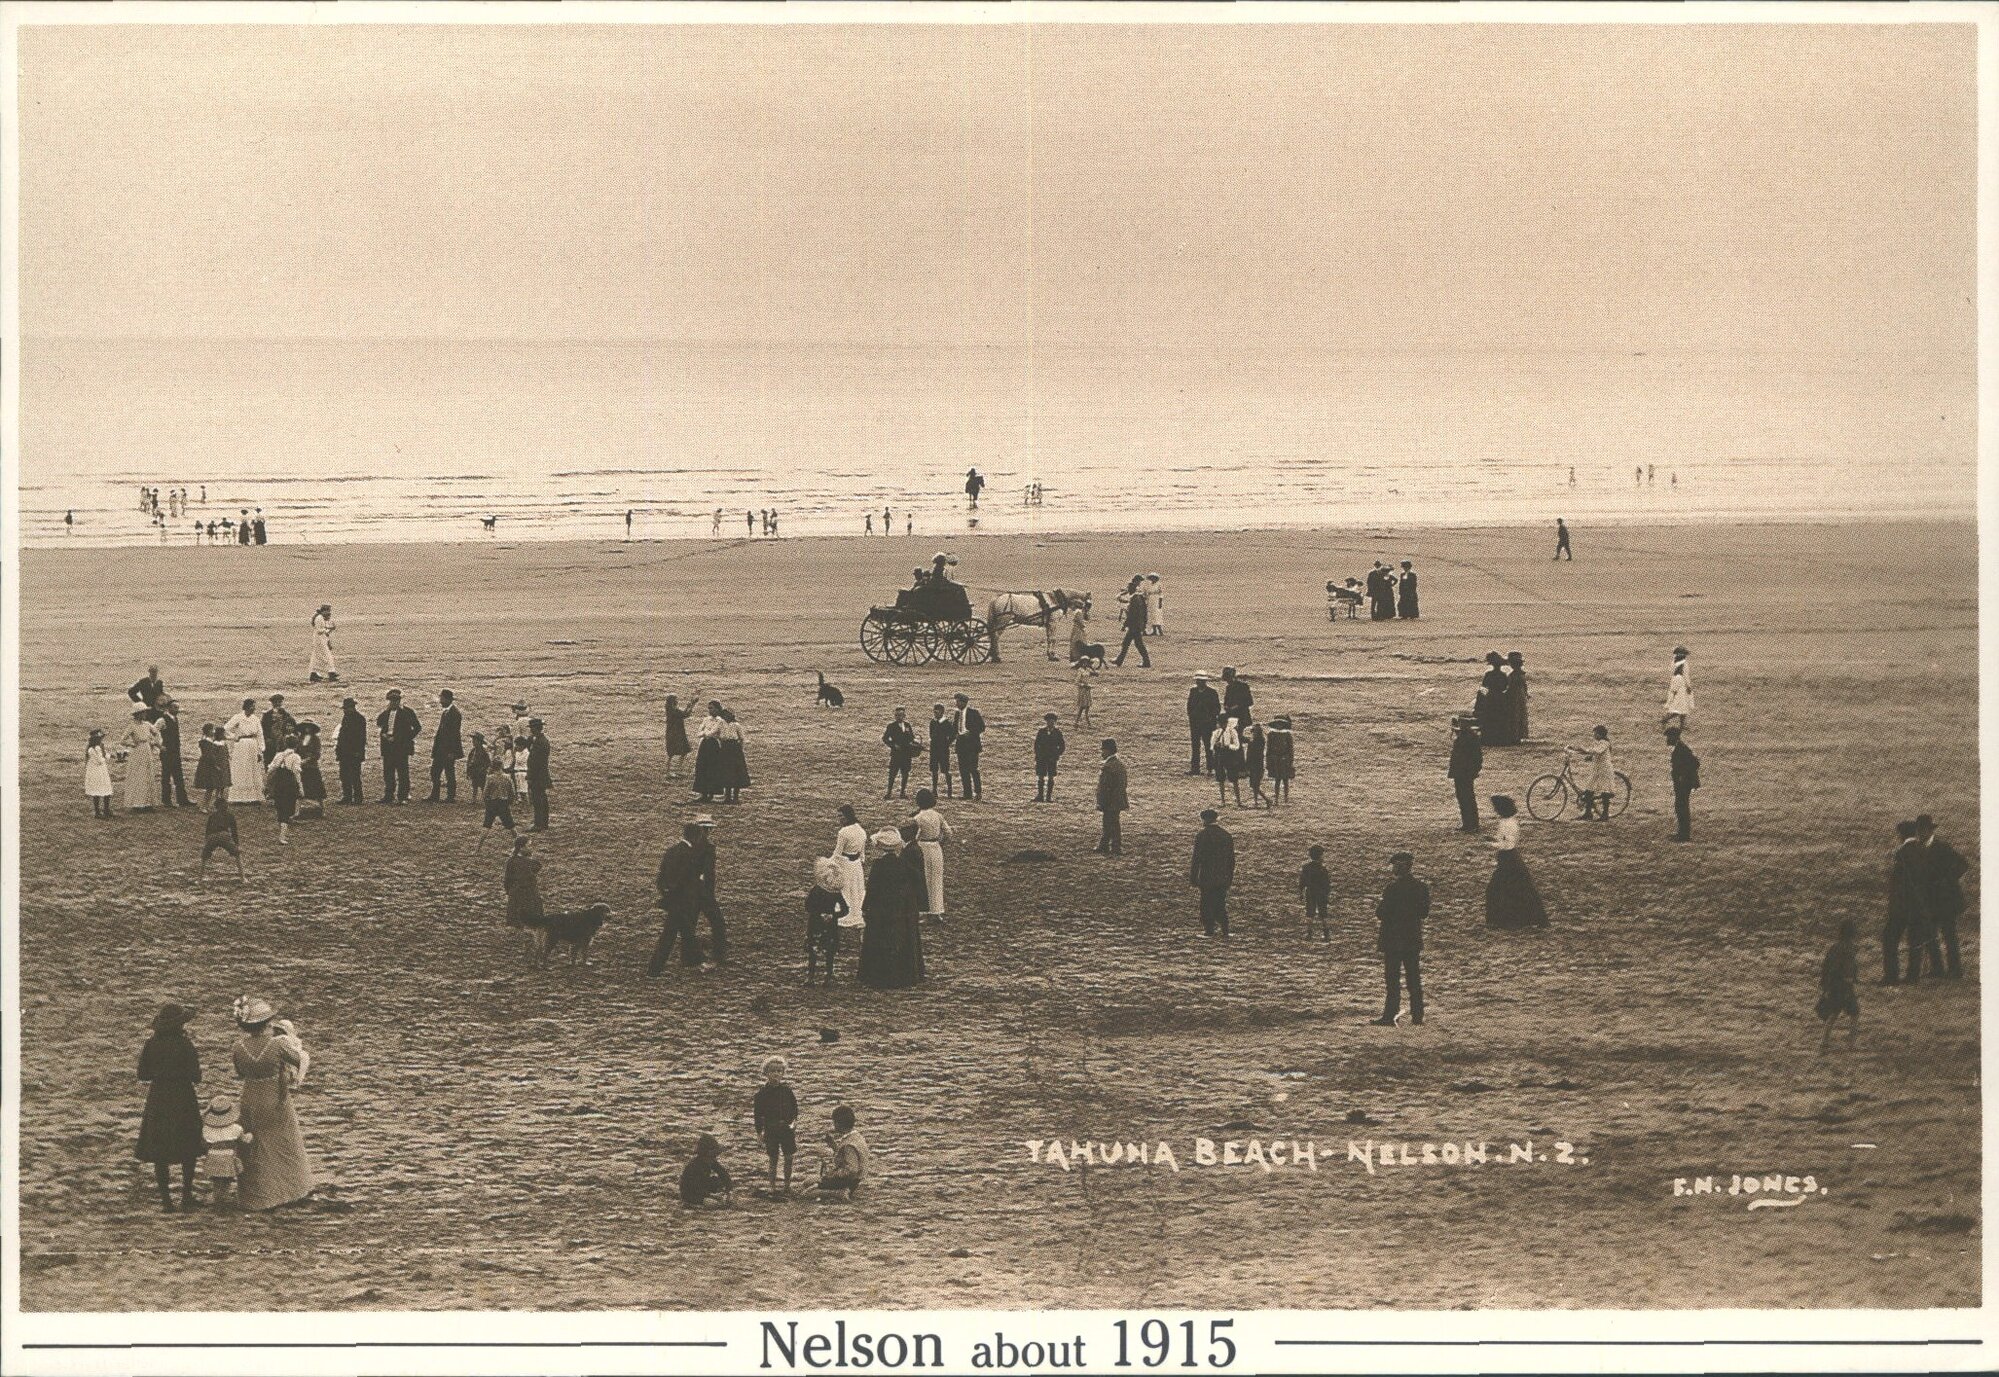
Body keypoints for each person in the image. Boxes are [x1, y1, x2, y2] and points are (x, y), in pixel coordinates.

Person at [230, 996, 312, 1210]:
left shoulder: (238, 1047)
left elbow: (240, 1073)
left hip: (249, 1096)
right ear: (266, 1024)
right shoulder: (278, 1045)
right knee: (283, 1142)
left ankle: (255, 1196)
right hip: (275, 1096)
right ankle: (289, 1190)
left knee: (254, 1145)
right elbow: (300, 1059)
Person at [137, 1004, 204, 1212]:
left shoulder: (151, 1044)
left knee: (160, 1151)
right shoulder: (185, 1045)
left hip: (158, 1098)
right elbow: (196, 1076)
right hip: (183, 1097)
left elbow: (143, 1075)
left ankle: (166, 1201)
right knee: (188, 1148)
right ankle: (186, 1195)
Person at [859, 826, 924, 988]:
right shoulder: (904, 864)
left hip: (880, 910)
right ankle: (902, 975)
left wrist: (865, 907)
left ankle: (879, 976)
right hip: (900, 909)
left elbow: (872, 889)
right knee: (899, 941)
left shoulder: (879, 865)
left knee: (880, 940)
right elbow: (917, 881)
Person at [1371, 852, 1429, 1026]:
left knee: (1392, 980)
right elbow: (1424, 913)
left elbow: (1381, 913)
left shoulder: (1392, 889)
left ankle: (1390, 1015)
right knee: (1414, 978)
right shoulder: (1421, 887)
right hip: (1412, 938)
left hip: (1393, 940)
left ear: (1399, 868)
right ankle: (1417, 1016)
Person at [649, 823, 709, 974]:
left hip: (673, 900)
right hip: (682, 901)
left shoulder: (671, 851)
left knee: (686, 932)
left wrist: (666, 893)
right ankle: (654, 970)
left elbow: (661, 876)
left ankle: (696, 961)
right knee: (672, 935)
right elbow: (687, 879)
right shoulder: (690, 855)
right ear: (695, 837)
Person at [1884, 820, 1938, 984]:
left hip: (1902, 906)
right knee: (1915, 941)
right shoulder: (1924, 850)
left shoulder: (1901, 852)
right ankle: (1912, 975)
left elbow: (1898, 882)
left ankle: (1891, 976)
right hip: (1920, 905)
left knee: (1889, 938)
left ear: (1901, 835)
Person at [1484, 796, 1547, 929]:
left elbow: (1507, 845)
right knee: (1520, 890)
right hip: (1512, 858)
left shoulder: (1506, 823)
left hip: (1508, 859)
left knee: (1497, 889)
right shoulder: (1511, 821)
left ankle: (1505, 920)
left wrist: (1492, 844)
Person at [1917, 815, 1968, 979]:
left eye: (1923, 829)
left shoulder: (1942, 847)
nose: (1921, 833)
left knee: (1949, 935)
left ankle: (1955, 970)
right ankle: (1937, 969)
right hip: (1931, 901)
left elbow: (1963, 864)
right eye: (1919, 830)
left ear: (1930, 830)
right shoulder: (1918, 849)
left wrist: (1948, 880)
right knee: (1930, 935)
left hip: (1946, 900)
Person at [753, 1058, 800, 1192]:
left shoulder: (787, 1091)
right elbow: (757, 1115)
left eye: (779, 1071)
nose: (776, 1074)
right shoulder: (761, 1094)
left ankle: (787, 1185)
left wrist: (794, 1122)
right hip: (771, 1130)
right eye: (772, 1071)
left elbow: (795, 1109)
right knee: (773, 1158)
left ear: (783, 1073)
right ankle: (772, 1186)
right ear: (766, 1073)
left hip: (786, 1129)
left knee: (789, 1157)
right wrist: (759, 1133)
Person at [1190, 808, 1236, 938]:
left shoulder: (1202, 836)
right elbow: (1231, 860)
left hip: (1207, 875)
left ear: (1205, 820)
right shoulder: (1226, 835)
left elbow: (1197, 858)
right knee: (1220, 902)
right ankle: (1225, 928)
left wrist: (1193, 877)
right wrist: (1229, 876)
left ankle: (1209, 929)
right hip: (1222, 876)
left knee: (1206, 903)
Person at [199, 1097, 252, 1209]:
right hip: (228, 1158)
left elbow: (204, 1144)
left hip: (213, 1157)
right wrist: (251, 1135)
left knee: (216, 1180)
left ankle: (217, 1197)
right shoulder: (236, 1128)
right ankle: (224, 1197)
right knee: (227, 1180)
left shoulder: (206, 1129)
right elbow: (245, 1140)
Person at [1817, 920, 1861, 1053]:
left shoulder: (1835, 948)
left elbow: (1827, 968)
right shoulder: (1849, 949)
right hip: (1844, 986)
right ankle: (1851, 1044)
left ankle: (1824, 1042)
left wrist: (1826, 987)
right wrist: (1852, 978)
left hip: (1836, 986)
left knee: (1833, 1014)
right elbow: (1849, 968)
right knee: (1854, 1013)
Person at [690, 815, 728, 963]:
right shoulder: (707, 848)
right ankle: (718, 952)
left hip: (692, 890)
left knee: (691, 922)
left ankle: (692, 953)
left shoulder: (689, 846)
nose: (706, 832)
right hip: (700, 890)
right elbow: (709, 873)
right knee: (717, 922)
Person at [911, 789, 954, 919]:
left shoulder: (918, 818)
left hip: (922, 848)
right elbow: (949, 833)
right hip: (936, 848)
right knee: (936, 879)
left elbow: (915, 836)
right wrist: (940, 843)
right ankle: (937, 911)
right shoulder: (938, 815)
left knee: (923, 879)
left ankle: (924, 910)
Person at [807, 858, 849, 985]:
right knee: (829, 952)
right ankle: (828, 976)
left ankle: (811, 977)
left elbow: (808, 906)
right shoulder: (836, 893)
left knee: (813, 951)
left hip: (815, 923)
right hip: (831, 925)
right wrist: (833, 916)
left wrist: (819, 914)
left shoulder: (816, 890)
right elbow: (845, 910)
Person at [376, 689, 422, 804]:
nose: (393, 702)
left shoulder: (407, 712)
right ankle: (389, 795)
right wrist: (386, 736)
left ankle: (403, 796)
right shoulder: (386, 712)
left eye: (395, 700)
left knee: (402, 772)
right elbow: (379, 722)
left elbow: (417, 727)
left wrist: (405, 739)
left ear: (399, 700)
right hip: (388, 746)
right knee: (388, 772)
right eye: (391, 700)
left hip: (401, 747)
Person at [816, 1105, 870, 1201]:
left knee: (807, 1192)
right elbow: (846, 1157)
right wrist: (833, 1146)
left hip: (848, 1182)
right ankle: (838, 1192)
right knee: (810, 1181)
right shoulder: (857, 1137)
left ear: (838, 1124)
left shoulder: (848, 1145)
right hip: (856, 1180)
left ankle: (839, 1193)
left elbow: (852, 1170)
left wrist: (831, 1175)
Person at [503, 835, 543, 951]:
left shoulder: (511, 861)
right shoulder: (532, 863)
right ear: (521, 848)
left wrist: (508, 892)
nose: (531, 848)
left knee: (517, 919)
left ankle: (520, 942)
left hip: (516, 893)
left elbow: (507, 880)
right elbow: (537, 867)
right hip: (529, 893)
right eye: (529, 845)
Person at [476, 748, 518, 850]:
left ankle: (477, 848)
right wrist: (510, 802)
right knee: (512, 827)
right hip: (503, 803)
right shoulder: (507, 777)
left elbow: (485, 793)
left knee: (486, 826)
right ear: (502, 766)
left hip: (492, 803)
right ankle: (520, 847)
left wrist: (487, 802)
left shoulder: (490, 778)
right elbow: (512, 792)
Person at [832, 804, 869, 920]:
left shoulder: (843, 832)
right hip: (857, 865)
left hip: (846, 864)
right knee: (856, 888)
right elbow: (862, 853)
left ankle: (845, 910)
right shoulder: (861, 830)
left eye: (841, 816)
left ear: (847, 816)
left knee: (845, 889)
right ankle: (855, 910)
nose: (840, 819)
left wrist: (828, 863)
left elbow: (837, 853)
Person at [1570, 725, 1615, 821]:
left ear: (1600, 734)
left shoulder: (1605, 743)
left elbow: (1597, 751)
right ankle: (1588, 813)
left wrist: (1585, 750)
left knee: (1605, 792)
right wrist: (1579, 751)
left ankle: (1605, 814)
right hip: (1597, 770)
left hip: (1604, 770)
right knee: (1589, 790)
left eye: (1595, 733)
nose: (1594, 735)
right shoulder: (1599, 742)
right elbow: (1596, 753)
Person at [121, 708, 161, 813]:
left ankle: (148, 803)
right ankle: (137, 803)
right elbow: (123, 740)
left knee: (148, 774)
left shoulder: (147, 725)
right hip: (137, 752)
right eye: (143, 712)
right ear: (138, 714)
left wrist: (154, 742)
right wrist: (132, 744)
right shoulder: (132, 726)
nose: (145, 714)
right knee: (138, 776)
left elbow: (156, 732)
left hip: (147, 750)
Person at [678, 1134, 733, 1208]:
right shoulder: (693, 1167)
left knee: (717, 1182)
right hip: (691, 1194)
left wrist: (728, 1191)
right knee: (713, 1204)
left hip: (704, 1188)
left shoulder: (711, 1161)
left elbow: (724, 1174)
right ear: (704, 1155)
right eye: (713, 1155)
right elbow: (695, 1188)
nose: (714, 1158)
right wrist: (711, 1196)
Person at [265, 736, 302, 845]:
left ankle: (282, 830)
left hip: (278, 784)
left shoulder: (279, 755)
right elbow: (296, 773)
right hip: (289, 784)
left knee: (280, 807)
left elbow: (270, 769)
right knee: (288, 809)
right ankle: (282, 835)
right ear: (296, 745)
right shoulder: (296, 757)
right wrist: (300, 787)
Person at [428, 689, 464, 802]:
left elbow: (454, 735)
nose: (440, 701)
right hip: (441, 749)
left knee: (449, 772)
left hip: (448, 750)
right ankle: (436, 795)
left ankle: (450, 796)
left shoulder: (455, 714)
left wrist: (452, 752)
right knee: (435, 771)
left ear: (447, 699)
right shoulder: (447, 712)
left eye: (442, 698)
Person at [1448, 716, 1483, 832]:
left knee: (1465, 798)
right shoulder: (1470, 737)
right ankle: (1470, 823)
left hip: (1463, 773)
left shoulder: (1466, 739)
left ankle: (1470, 824)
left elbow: (1475, 758)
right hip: (1464, 773)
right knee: (1465, 797)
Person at [1666, 726, 1700, 842]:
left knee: (1682, 807)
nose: (1667, 740)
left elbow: (1695, 763)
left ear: (1674, 737)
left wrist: (1683, 776)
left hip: (1684, 784)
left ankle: (1684, 835)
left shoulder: (1682, 749)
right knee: (1680, 807)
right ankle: (1682, 833)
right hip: (1682, 784)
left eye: (1668, 737)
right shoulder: (1680, 748)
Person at [200, 796, 245, 882]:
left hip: (212, 836)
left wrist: (206, 844)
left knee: (204, 857)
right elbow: (234, 832)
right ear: (226, 806)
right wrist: (237, 845)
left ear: (215, 807)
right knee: (237, 855)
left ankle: (200, 879)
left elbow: (207, 831)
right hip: (224, 836)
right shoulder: (230, 816)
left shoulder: (212, 816)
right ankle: (243, 878)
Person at [1095, 738, 1128, 855]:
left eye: (1103, 750)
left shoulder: (1108, 766)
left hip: (1110, 801)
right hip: (1118, 800)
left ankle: (1114, 846)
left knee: (1110, 823)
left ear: (1108, 751)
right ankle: (1106, 845)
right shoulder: (1120, 764)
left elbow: (1105, 787)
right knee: (1112, 822)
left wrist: (1102, 802)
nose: (1101, 753)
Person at [881, 706, 921, 800]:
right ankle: (889, 792)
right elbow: (885, 738)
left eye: (901, 715)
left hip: (906, 754)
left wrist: (914, 743)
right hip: (896, 754)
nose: (899, 717)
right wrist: (893, 745)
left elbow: (911, 737)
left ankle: (902, 792)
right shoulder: (891, 726)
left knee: (905, 773)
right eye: (897, 715)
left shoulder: (907, 725)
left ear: (904, 716)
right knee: (892, 774)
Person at [692, 701, 728, 803]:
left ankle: (711, 793)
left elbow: (715, 733)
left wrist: (706, 733)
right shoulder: (706, 719)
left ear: (717, 709)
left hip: (714, 745)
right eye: (709, 708)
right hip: (704, 745)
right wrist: (705, 733)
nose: (710, 710)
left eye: (712, 708)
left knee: (712, 768)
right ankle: (703, 792)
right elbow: (699, 733)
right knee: (702, 767)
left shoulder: (720, 721)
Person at [157, 699, 191, 807]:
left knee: (178, 776)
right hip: (167, 753)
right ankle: (166, 800)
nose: (177, 710)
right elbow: (153, 731)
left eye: (178, 707)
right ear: (168, 708)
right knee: (166, 776)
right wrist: (160, 745)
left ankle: (182, 799)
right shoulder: (162, 720)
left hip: (175, 751)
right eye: (175, 707)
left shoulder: (175, 719)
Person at [334, 697, 368, 805]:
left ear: (352, 708)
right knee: (344, 775)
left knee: (355, 776)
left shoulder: (359, 719)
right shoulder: (346, 718)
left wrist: (358, 751)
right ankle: (347, 796)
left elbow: (361, 738)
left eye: (347, 708)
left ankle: (358, 797)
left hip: (354, 752)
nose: (345, 710)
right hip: (345, 752)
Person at [951, 694, 985, 800]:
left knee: (973, 769)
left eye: (958, 702)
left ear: (963, 702)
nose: (956, 704)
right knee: (963, 770)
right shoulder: (957, 714)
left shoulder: (973, 713)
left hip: (971, 745)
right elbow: (954, 729)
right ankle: (967, 793)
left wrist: (970, 733)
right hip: (961, 745)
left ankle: (978, 792)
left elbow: (981, 727)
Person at [1112, 578, 1151, 668]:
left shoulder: (1134, 599)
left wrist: (1124, 625)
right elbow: (1144, 612)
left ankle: (1146, 662)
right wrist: (1144, 624)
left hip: (1134, 626)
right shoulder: (1139, 597)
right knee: (1132, 644)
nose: (1128, 590)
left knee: (1134, 644)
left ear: (1131, 589)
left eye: (1129, 589)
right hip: (1138, 625)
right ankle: (1119, 661)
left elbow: (1131, 615)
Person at [1186, 672, 1220, 774]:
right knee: (1195, 746)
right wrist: (1192, 716)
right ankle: (1195, 768)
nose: (1198, 683)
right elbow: (1189, 706)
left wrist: (1210, 718)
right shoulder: (1193, 691)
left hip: (1208, 724)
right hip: (1196, 723)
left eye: (1200, 681)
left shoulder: (1212, 693)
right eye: (1198, 681)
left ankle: (1210, 767)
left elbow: (1217, 708)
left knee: (1209, 746)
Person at [714, 710, 748, 806]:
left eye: (728, 715)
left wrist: (739, 749)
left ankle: (735, 797)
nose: (726, 717)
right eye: (724, 715)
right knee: (726, 772)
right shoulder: (721, 724)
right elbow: (717, 734)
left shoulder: (736, 725)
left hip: (734, 748)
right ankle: (727, 796)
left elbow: (741, 738)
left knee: (736, 772)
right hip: (725, 748)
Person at [1210, 716, 1245, 808]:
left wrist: (1228, 746)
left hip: (1230, 755)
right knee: (1221, 779)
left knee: (1234, 779)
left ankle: (1238, 801)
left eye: (1223, 723)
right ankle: (1223, 801)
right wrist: (1216, 746)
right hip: (1220, 756)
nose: (1222, 725)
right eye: (1221, 723)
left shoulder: (1232, 731)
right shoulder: (1216, 733)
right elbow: (1211, 746)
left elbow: (1237, 745)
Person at [1475, 653, 1509, 746]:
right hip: (1500, 699)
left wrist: (1480, 700)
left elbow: (1483, 688)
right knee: (1499, 718)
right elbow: (1506, 687)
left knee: (1489, 718)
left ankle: (1488, 738)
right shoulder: (1503, 675)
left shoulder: (1488, 675)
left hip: (1490, 699)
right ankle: (1499, 738)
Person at [294, 721, 326, 819]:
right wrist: (298, 760)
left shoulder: (315, 740)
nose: (307, 729)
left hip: (312, 767)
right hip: (302, 767)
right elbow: (296, 751)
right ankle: (300, 811)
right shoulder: (299, 739)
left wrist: (307, 760)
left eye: (309, 727)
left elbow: (317, 754)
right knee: (301, 789)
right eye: (306, 727)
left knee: (317, 789)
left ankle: (321, 809)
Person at [1299, 845, 1332, 939]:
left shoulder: (1306, 868)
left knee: (1309, 913)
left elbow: (1302, 882)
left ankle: (1309, 934)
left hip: (1310, 892)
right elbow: (1327, 884)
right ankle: (1326, 934)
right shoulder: (1323, 869)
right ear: (1320, 856)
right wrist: (1327, 894)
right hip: (1321, 893)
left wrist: (1301, 892)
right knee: (1323, 913)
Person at [1034, 713, 1067, 803]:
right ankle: (1040, 795)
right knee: (1041, 776)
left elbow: (1062, 746)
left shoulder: (1057, 733)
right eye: (1049, 721)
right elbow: (1036, 745)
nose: (1051, 723)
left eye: (1052, 721)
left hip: (1052, 758)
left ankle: (1048, 796)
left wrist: (1057, 755)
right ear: (1046, 722)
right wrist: (1038, 755)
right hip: (1042, 758)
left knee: (1051, 777)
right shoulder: (1041, 732)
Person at [664, 693, 696, 778]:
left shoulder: (671, 710)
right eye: (676, 700)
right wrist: (692, 705)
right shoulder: (673, 711)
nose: (677, 701)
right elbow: (685, 714)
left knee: (673, 753)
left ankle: (671, 771)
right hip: (677, 734)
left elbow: (683, 714)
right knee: (680, 751)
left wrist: (689, 706)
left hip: (674, 733)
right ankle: (675, 770)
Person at [259, 694, 296, 766]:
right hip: (270, 743)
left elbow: (293, 727)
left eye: (279, 702)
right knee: (269, 762)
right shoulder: (267, 715)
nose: (277, 704)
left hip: (283, 743)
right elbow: (262, 730)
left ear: (281, 703)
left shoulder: (286, 715)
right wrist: (267, 739)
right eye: (275, 702)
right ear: (272, 703)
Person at [1265, 716, 1295, 803]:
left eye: (1280, 724)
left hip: (1285, 760)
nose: (1279, 726)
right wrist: (1268, 761)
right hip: (1275, 760)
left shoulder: (1287, 735)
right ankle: (1277, 798)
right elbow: (1269, 749)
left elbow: (1290, 749)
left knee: (1285, 780)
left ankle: (1285, 798)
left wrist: (1290, 761)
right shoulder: (1271, 735)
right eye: (1277, 724)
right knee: (1277, 780)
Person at [85, 729, 114, 818]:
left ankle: (106, 810)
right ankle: (97, 812)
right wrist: (105, 754)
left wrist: (109, 755)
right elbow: (99, 760)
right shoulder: (92, 749)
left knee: (106, 790)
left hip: (102, 771)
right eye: (98, 739)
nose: (100, 740)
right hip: (95, 771)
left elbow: (103, 756)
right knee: (96, 791)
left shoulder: (98, 747)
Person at [1663, 650, 1694, 732]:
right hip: (1681, 684)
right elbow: (1686, 675)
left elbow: (1672, 672)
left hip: (1675, 682)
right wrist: (1689, 686)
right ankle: (1666, 719)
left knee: (1680, 707)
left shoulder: (1674, 662)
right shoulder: (1684, 664)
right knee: (1681, 707)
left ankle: (1680, 724)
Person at [1504, 652, 1531, 744]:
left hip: (1514, 696)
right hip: (1521, 695)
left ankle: (1514, 736)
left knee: (1514, 714)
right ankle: (1520, 735)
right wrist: (1526, 694)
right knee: (1521, 714)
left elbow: (1509, 687)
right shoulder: (1522, 674)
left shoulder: (1512, 675)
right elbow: (1525, 686)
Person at [1244, 720, 1270, 808]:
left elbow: (1251, 755)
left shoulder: (1255, 742)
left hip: (1255, 765)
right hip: (1258, 765)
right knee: (1255, 785)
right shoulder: (1260, 741)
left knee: (1254, 785)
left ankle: (1265, 799)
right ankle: (1256, 801)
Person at [308, 605, 338, 682]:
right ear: (324, 611)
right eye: (328, 611)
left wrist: (329, 631)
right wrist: (329, 628)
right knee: (327, 656)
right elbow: (319, 631)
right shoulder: (319, 618)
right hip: (319, 640)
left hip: (320, 640)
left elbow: (323, 632)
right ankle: (331, 672)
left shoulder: (320, 618)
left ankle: (313, 674)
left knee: (316, 657)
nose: (329, 613)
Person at [466, 732, 490, 800]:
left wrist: (483, 769)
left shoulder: (484, 752)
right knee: (474, 786)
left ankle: (485, 798)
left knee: (483, 786)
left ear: (479, 742)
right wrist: (468, 771)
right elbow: (469, 761)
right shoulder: (473, 751)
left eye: (474, 741)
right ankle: (474, 799)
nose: (473, 742)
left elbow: (488, 762)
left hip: (481, 771)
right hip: (474, 770)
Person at [1073, 663, 1095, 727]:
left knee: (1085, 706)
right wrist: (1084, 685)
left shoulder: (1088, 670)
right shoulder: (1080, 671)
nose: (1085, 663)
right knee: (1083, 707)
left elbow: (1094, 674)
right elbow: (1076, 682)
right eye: (1084, 662)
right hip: (1082, 690)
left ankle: (1077, 722)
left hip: (1087, 690)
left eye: (1086, 662)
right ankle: (1088, 724)